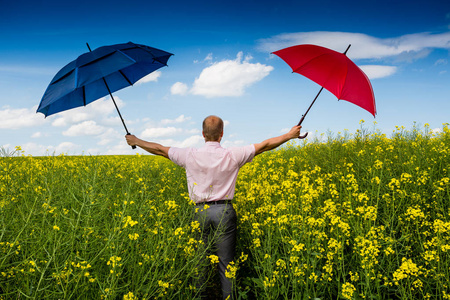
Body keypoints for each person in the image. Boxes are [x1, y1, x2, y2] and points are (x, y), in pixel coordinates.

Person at [125, 115, 301, 299]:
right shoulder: (233, 154)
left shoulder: (189, 154)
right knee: (226, 263)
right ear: (222, 134)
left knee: (199, 262)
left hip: (199, 213)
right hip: (224, 211)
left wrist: (136, 140)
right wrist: (289, 135)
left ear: (202, 134)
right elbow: (265, 145)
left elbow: (160, 149)